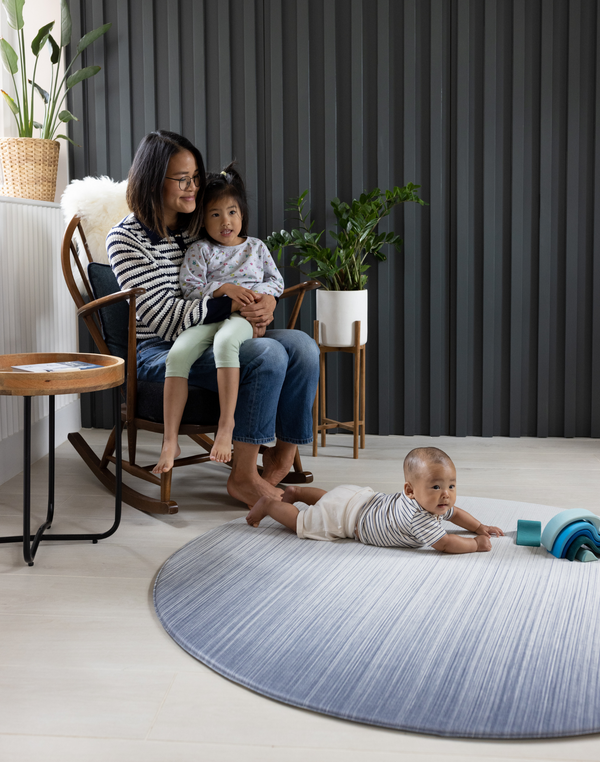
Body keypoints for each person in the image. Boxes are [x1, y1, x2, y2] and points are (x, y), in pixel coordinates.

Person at [106, 130, 319, 507]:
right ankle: (243, 477)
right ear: (153, 181)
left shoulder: (196, 226)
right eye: (182, 179)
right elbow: (163, 319)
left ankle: (280, 457)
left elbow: (247, 273)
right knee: (268, 354)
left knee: (303, 346)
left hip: (219, 331)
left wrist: (266, 302)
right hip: (161, 350)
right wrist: (232, 304)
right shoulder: (126, 240)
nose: (193, 188)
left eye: (195, 177)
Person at [152, 163, 285, 473]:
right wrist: (223, 288)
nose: (225, 221)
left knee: (226, 343)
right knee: (178, 353)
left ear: (242, 215)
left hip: (241, 318)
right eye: (215, 214)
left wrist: (262, 299)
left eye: (232, 212)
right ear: (202, 219)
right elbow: (190, 288)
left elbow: (275, 281)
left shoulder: (256, 248)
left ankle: (226, 426)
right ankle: (170, 440)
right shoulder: (200, 250)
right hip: (207, 316)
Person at [246, 446, 505, 553]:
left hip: (359, 497)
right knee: (304, 522)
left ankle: (297, 493)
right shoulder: (419, 517)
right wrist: (476, 544)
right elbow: (446, 543)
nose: (446, 494)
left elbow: (455, 513)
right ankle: (270, 504)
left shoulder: (431, 502)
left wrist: (478, 526)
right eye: (436, 486)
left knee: (329, 501)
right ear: (410, 490)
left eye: (451, 485)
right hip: (349, 520)